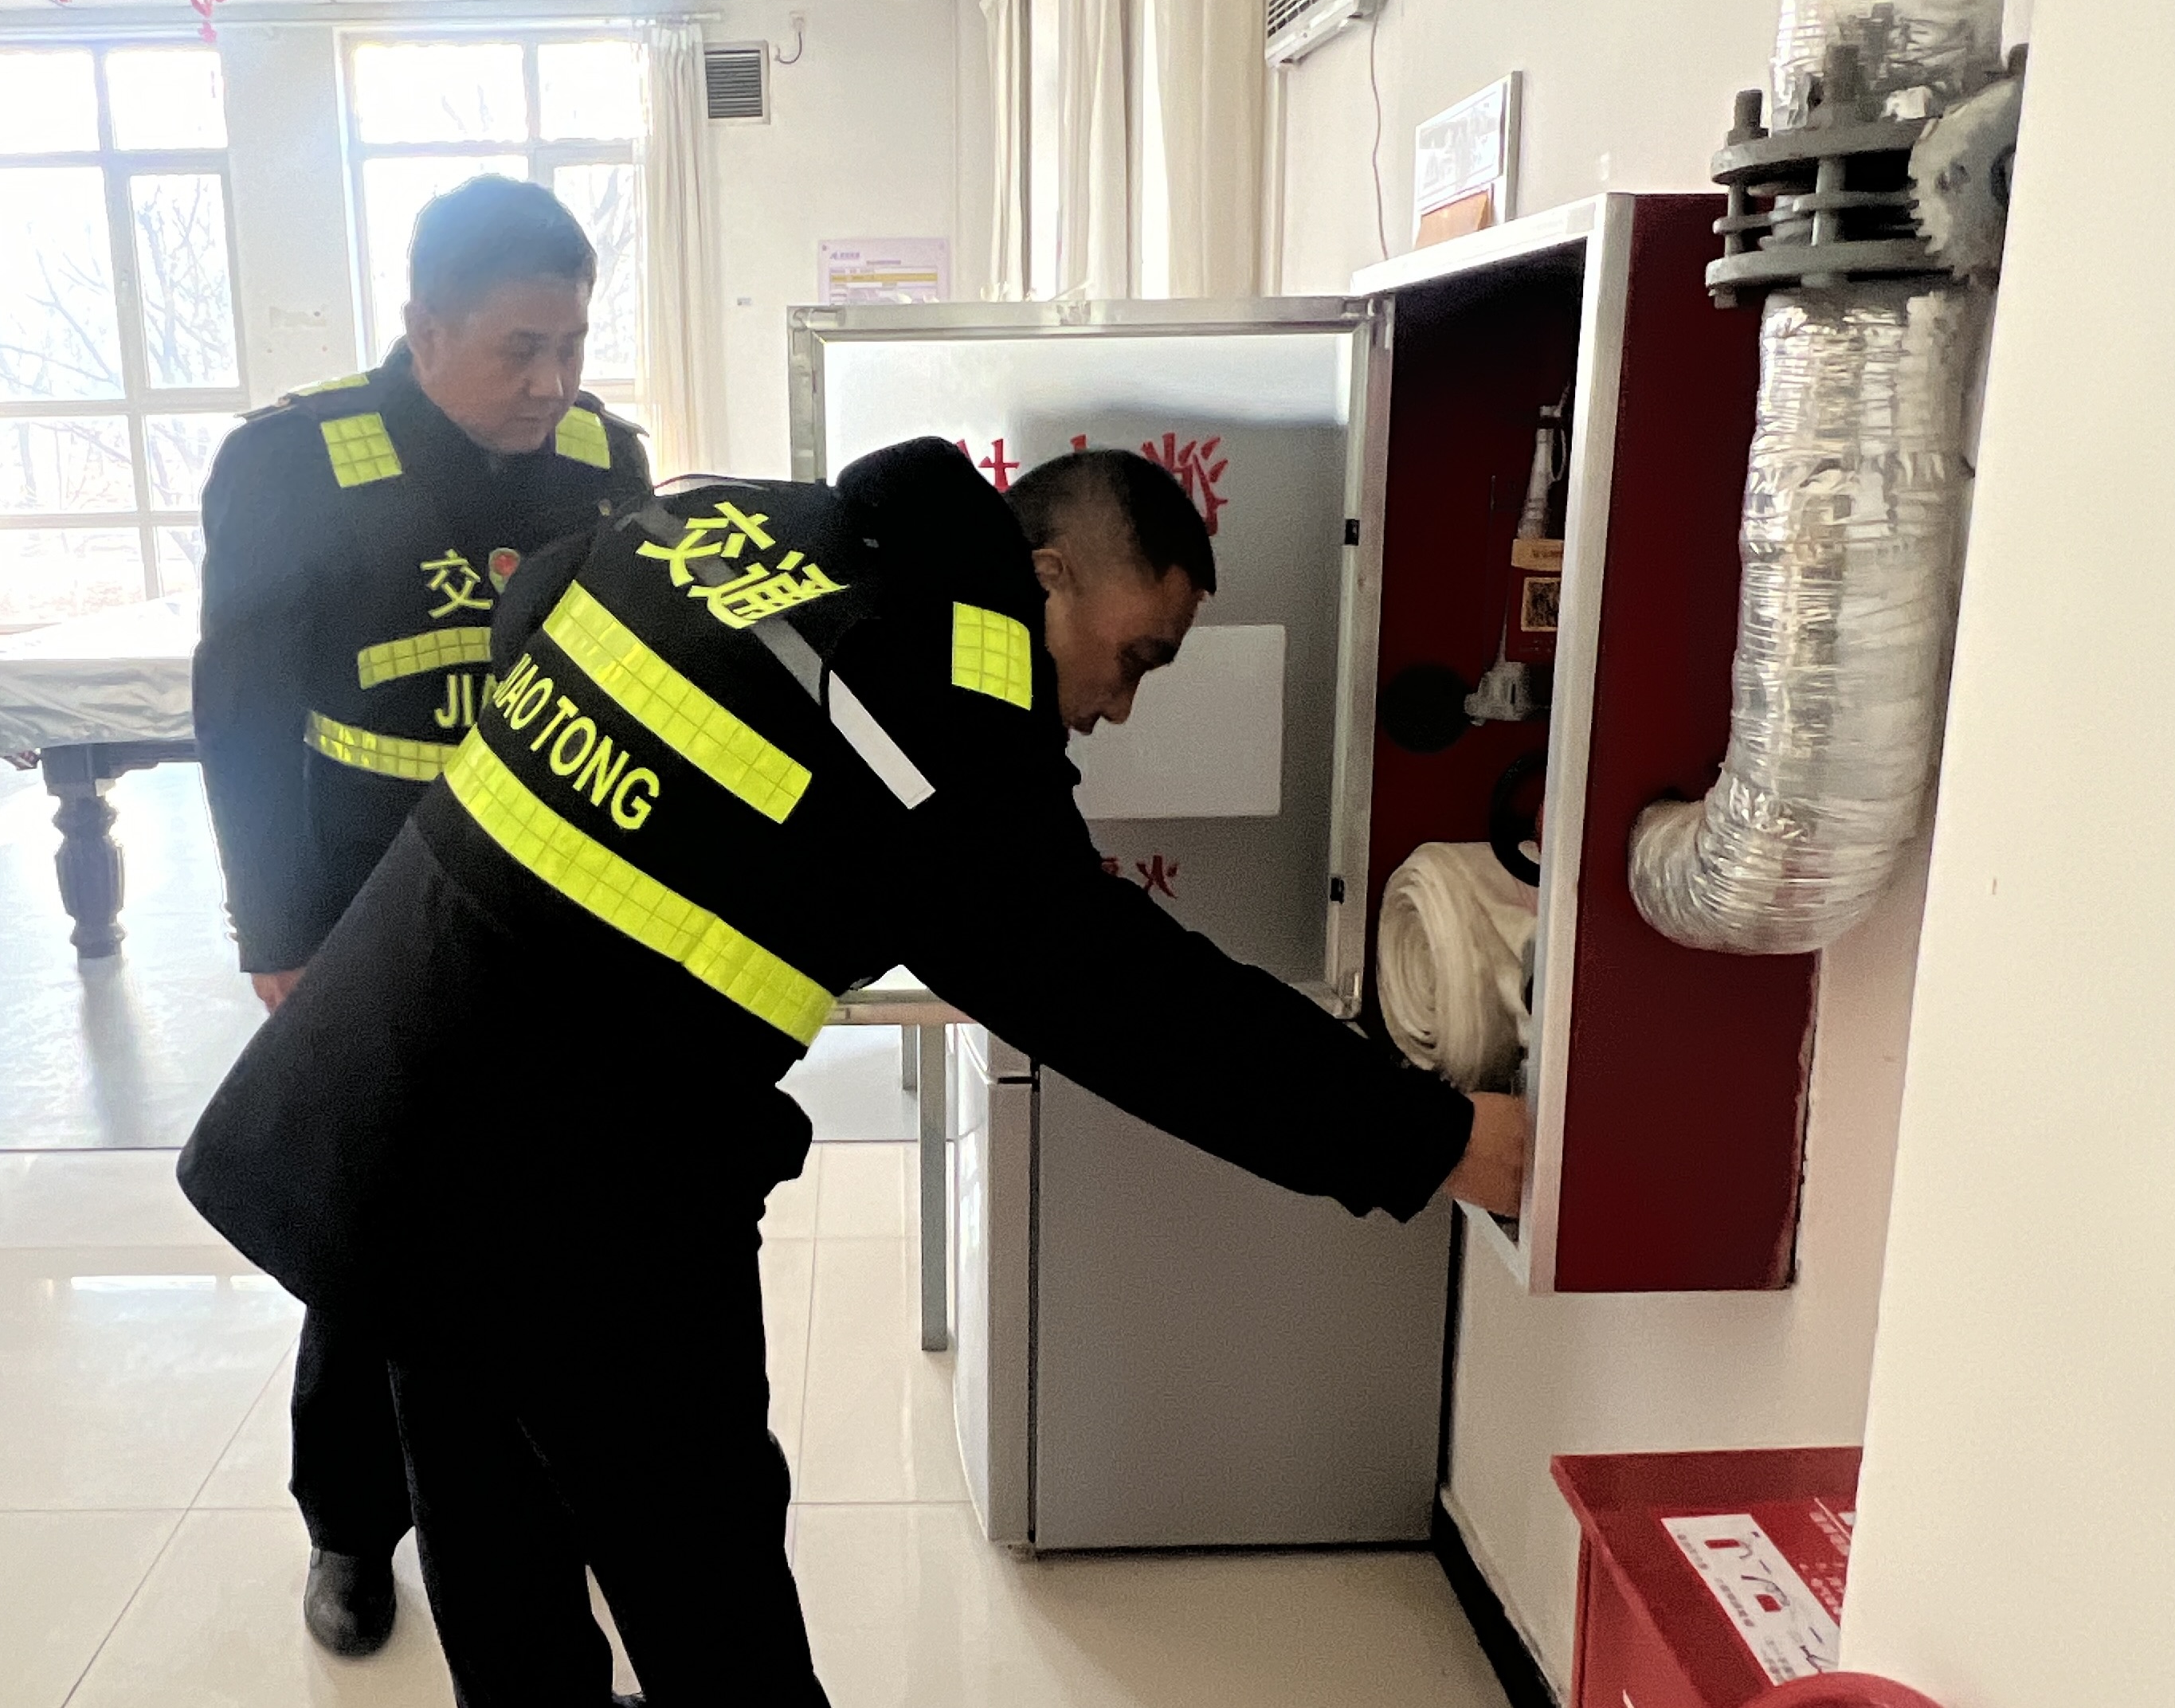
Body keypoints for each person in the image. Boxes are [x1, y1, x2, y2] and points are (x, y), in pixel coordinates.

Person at [180, 439, 1530, 1706]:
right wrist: (1430, 1138)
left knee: (480, 1490)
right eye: (1136, 657)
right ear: (1047, 573)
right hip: (585, 1172)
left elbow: (539, 591)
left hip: (384, 1069)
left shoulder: (742, 524)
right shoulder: (928, 714)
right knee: (702, 1562)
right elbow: (1128, 999)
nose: (1121, 705)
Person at [188, 174, 651, 1659]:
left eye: (572, 345)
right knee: (373, 1224)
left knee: (549, 1219)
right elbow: (242, 719)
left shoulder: (604, 459)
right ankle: (351, 1522)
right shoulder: (292, 463)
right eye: (521, 348)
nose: (553, 382)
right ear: (425, 325)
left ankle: (540, 1503)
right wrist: (273, 931)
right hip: (366, 907)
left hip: (556, 914)